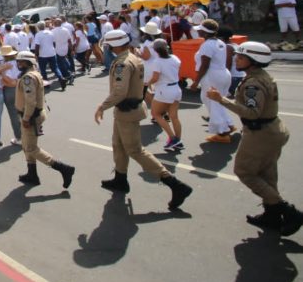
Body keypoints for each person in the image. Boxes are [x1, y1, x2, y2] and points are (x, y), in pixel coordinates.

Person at [207, 42, 303, 236]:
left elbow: (252, 113)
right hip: (271, 130)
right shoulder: (260, 77)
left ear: (254, 61)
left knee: (244, 171)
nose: (236, 59)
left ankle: (286, 210)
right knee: (267, 174)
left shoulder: (253, 83)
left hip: (261, 134)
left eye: (241, 57)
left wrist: (221, 100)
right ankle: (272, 215)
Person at [94, 30, 192, 210]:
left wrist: (102, 106)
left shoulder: (123, 63)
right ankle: (120, 178)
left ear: (114, 45)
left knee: (135, 150)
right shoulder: (133, 57)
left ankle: (174, 184)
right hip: (128, 108)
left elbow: (120, 91)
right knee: (118, 145)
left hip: (127, 111)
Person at [14, 50, 75, 187]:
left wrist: (26, 118)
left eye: (20, 61)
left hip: (30, 116)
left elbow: (30, 101)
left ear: (27, 62)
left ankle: (63, 168)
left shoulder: (28, 78)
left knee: (31, 148)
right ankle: (32, 174)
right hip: (30, 114)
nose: (18, 64)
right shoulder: (33, 74)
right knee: (26, 145)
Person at [190, 19, 236, 143]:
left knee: (212, 102)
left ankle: (223, 133)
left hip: (212, 76)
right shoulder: (220, 42)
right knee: (217, 101)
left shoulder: (207, 45)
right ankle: (228, 124)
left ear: (205, 33)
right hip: (222, 74)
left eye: (200, 30)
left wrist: (195, 82)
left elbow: (205, 65)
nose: (198, 31)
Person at [147, 39, 184, 151]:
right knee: (174, 116)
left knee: (156, 114)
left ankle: (173, 138)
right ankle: (177, 140)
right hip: (176, 88)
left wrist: (146, 83)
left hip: (165, 90)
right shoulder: (174, 58)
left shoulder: (157, 62)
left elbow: (155, 78)